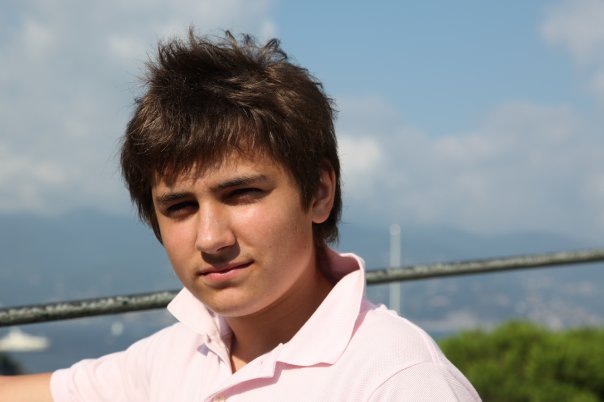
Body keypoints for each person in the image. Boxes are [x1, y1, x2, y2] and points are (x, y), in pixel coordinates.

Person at [0, 29, 481, 401]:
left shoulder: (399, 382)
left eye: (242, 194)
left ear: (319, 192)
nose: (211, 238)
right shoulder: (179, 356)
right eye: (180, 207)